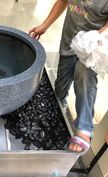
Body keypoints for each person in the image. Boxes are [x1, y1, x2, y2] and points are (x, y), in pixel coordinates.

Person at [29, 0, 108, 153]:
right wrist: (45, 26)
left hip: (91, 48)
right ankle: (60, 104)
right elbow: (63, 1)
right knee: (61, 83)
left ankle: (84, 127)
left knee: (84, 75)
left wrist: (99, 35)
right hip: (69, 41)